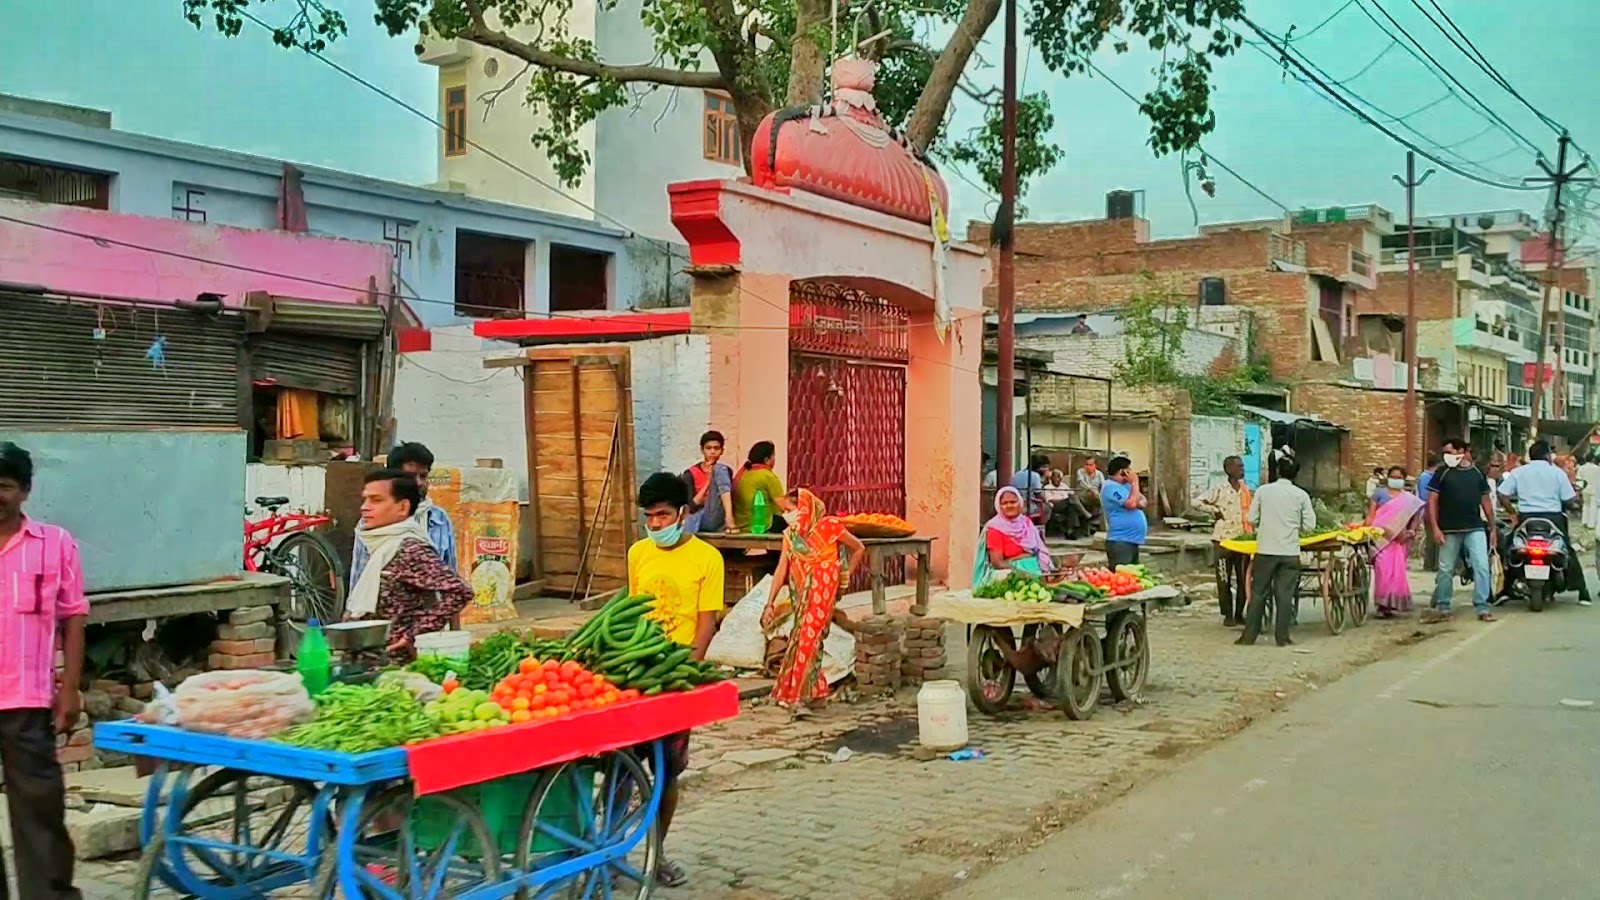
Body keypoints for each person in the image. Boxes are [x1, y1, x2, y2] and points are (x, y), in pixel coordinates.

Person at [627, 472, 726, 887]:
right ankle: (609, 846)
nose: (655, 525)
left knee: (667, 772)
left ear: (684, 513)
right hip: (635, 671)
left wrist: (684, 674)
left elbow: (707, 624)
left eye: (663, 516)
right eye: (649, 517)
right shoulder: (638, 553)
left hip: (676, 672)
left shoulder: (707, 558)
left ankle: (658, 852)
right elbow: (630, 613)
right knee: (624, 766)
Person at [0, 443, 86, 900]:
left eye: (5, 487)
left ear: (25, 491)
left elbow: (73, 617)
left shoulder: (55, 544)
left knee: (40, 815)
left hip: (27, 703)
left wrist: (70, 689)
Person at [760, 489, 866, 716]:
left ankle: (797, 697)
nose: (787, 515)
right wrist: (769, 602)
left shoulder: (829, 527)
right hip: (800, 597)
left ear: (805, 507)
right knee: (805, 640)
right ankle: (816, 693)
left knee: (808, 639)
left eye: (790, 510)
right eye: (784, 511)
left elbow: (858, 548)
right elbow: (781, 569)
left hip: (823, 594)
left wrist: (843, 578)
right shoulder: (791, 535)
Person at [347, 469, 473, 659]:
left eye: (376, 500)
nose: (365, 507)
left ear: (402, 508)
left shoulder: (409, 549)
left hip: (395, 664)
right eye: (364, 500)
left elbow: (460, 591)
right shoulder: (382, 546)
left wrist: (414, 635)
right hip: (371, 657)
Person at [1498, 440, 1592, 608]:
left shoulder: (1519, 472)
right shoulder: (1557, 473)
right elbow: (1569, 499)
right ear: (1548, 455)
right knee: (1567, 550)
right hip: (1553, 518)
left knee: (1511, 548)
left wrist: (1512, 512)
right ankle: (1583, 592)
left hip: (1526, 518)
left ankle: (1505, 590)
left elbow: (1502, 494)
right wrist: (1574, 503)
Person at [350, 442, 456, 589]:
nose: (419, 483)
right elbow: (360, 577)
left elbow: (450, 578)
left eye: (423, 476)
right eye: (412, 476)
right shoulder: (373, 520)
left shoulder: (439, 520)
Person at [1238, 456, 1316, 647]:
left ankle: (1248, 637)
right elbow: (1309, 525)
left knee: (1258, 594)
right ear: (1296, 474)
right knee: (1285, 595)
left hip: (1265, 551)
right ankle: (1282, 638)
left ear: (1278, 471)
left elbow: (1252, 518)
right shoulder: (1301, 495)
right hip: (1289, 552)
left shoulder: (1264, 491)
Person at [1428, 440, 1497, 622]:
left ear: (1461, 451)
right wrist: (1435, 528)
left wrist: (1492, 528)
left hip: (1475, 527)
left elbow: (1486, 502)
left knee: (1481, 566)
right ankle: (1444, 606)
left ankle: (1482, 606)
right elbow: (1432, 501)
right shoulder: (1442, 473)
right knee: (1445, 570)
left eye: (1449, 452)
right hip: (1448, 529)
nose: (1446, 456)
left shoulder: (1476, 473)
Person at [1192, 456, 1252, 626]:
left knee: (1243, 580)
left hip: (1242, 540)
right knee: (1224, 579)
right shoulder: (1219, 489)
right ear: (1229, 470)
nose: (1242, 469)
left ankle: (1240, 613)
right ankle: (1228, 615)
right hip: (1223, 540)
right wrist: (1214, 511)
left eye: (1242, 466)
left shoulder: (1245, 490)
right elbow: (1196, 502)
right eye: (1239, 466)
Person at [1369, 467, 1425, 618]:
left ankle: (1393, 604)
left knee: (1396, 573)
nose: (1395, 479)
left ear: (1404, 479)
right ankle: (1382, 605)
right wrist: (1366, 531)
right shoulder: (1379, 493)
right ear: (1387, 478)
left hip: (1399, 541)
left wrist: (1411, 531)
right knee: (1382, 571)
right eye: (1392, 476)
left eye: (1399, 477)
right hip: (1381, 539)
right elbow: (1371, 516)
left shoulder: (1409, 498)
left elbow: (1419, 512)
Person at [973, 486, 1055, 584]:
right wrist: (1022, 563)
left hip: (1032, 568)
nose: (1009, 506)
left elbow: (1039, 551)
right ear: (998, 506)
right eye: (1004, 503)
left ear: (1020, 503)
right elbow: (998, 564)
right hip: (1009, 572)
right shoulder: (995, 529)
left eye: (1013, 502)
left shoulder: (1026, 523)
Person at [682, 431, 735, 535]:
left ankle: (729, 517)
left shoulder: (726, 471)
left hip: (719, 517)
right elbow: (691, 507)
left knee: (720, 468)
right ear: (702, 450)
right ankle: (730, 519)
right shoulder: (691, 473)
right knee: (719, 468)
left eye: (716, 448)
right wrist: (709, 482)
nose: (712, 452)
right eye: (708, 448)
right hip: (699, 520)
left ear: (722, 451)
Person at [1102, 456, 1148, 567]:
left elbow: (1143, 502)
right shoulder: (1110, 487)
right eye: (1129, 469)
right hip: (1120, 540)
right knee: (1121, 576)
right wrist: (1135, 483)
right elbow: (1132, 504)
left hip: (1133, 540)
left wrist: (1134, 495)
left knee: (1133, 577)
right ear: (1122, 471)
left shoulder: (1126, 485)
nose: (1131, 472)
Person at [731, 441, 785, 533]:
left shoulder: (744, 473)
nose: (774, 460)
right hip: (761, 526)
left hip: (741, 525)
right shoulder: (768, 476)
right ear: (767, 460)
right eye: (773, 457)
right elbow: (783, 506)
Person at [1416, 451, 1441, 571]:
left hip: (1434, 511)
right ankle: (1431, 564)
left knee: (1433, 539)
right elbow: (1426, 497)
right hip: (1429, 511)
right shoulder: (1426, 477)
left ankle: (1433, 563)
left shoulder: (1427, 477)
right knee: (1431, 539)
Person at [1579, 453, 1600, 530]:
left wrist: (1580, 490)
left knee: (1585, 505)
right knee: (1593, 507)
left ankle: (1584, 521)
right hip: (1595, 489)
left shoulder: (1581, 468)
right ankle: (1591, 524)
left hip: (1585, 489)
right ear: (1593, 459)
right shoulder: (1597, 468)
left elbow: (1579, 479)